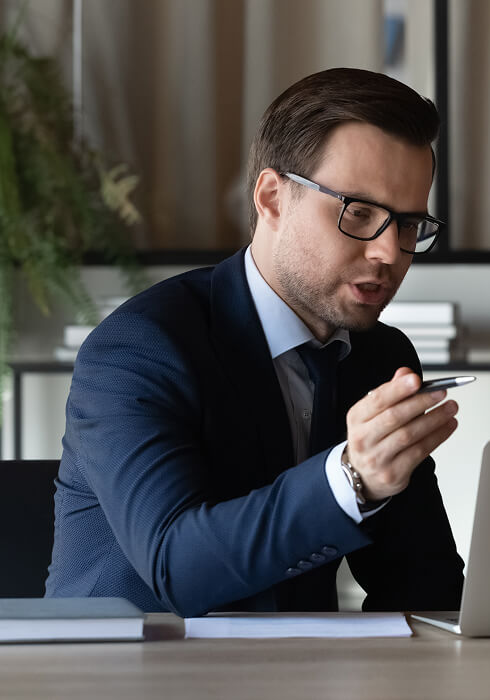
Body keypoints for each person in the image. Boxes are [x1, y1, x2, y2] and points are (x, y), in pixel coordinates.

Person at [46, 68, 465, 617]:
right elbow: (176, 567)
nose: (389, 252)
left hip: (295, 660)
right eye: (359, 213)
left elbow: (422, 581)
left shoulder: (380, 356)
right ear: (271, 198)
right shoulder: (140, 346)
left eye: (408, 224)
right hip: (129, 660)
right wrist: (349, 479)